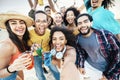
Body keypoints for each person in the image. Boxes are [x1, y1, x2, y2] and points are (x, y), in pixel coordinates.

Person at [76, 13, 120, 80]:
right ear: (77, 26)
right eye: (79, 23)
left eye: (85, 21)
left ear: (91, 23)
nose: (83, 25)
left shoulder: (105, 35)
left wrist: (108, 75)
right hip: (91, 67)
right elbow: (81, 53)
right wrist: (81, 65)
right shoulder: (78, 39)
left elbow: (118, 55)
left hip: (110, 68)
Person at [0, 11, 34, 80]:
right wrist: (11, 68)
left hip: (14, 74)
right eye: (13, 23)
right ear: (8, 27)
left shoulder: (21, 40)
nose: (19, 26)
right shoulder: (6, 46)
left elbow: (17, 64)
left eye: (21, 22)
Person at [28, 10, 59, 80]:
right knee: (39, 74)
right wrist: (33, 48)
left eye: (44, 21)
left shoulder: (50, 33)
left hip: (47, 54)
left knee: (55, 70)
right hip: (36, 55)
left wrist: (52, 53)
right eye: (38, 21)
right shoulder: (29, 33)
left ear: (47, 23)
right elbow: (28, 46)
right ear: (34, 22)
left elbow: (52, 44)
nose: (41, 24)